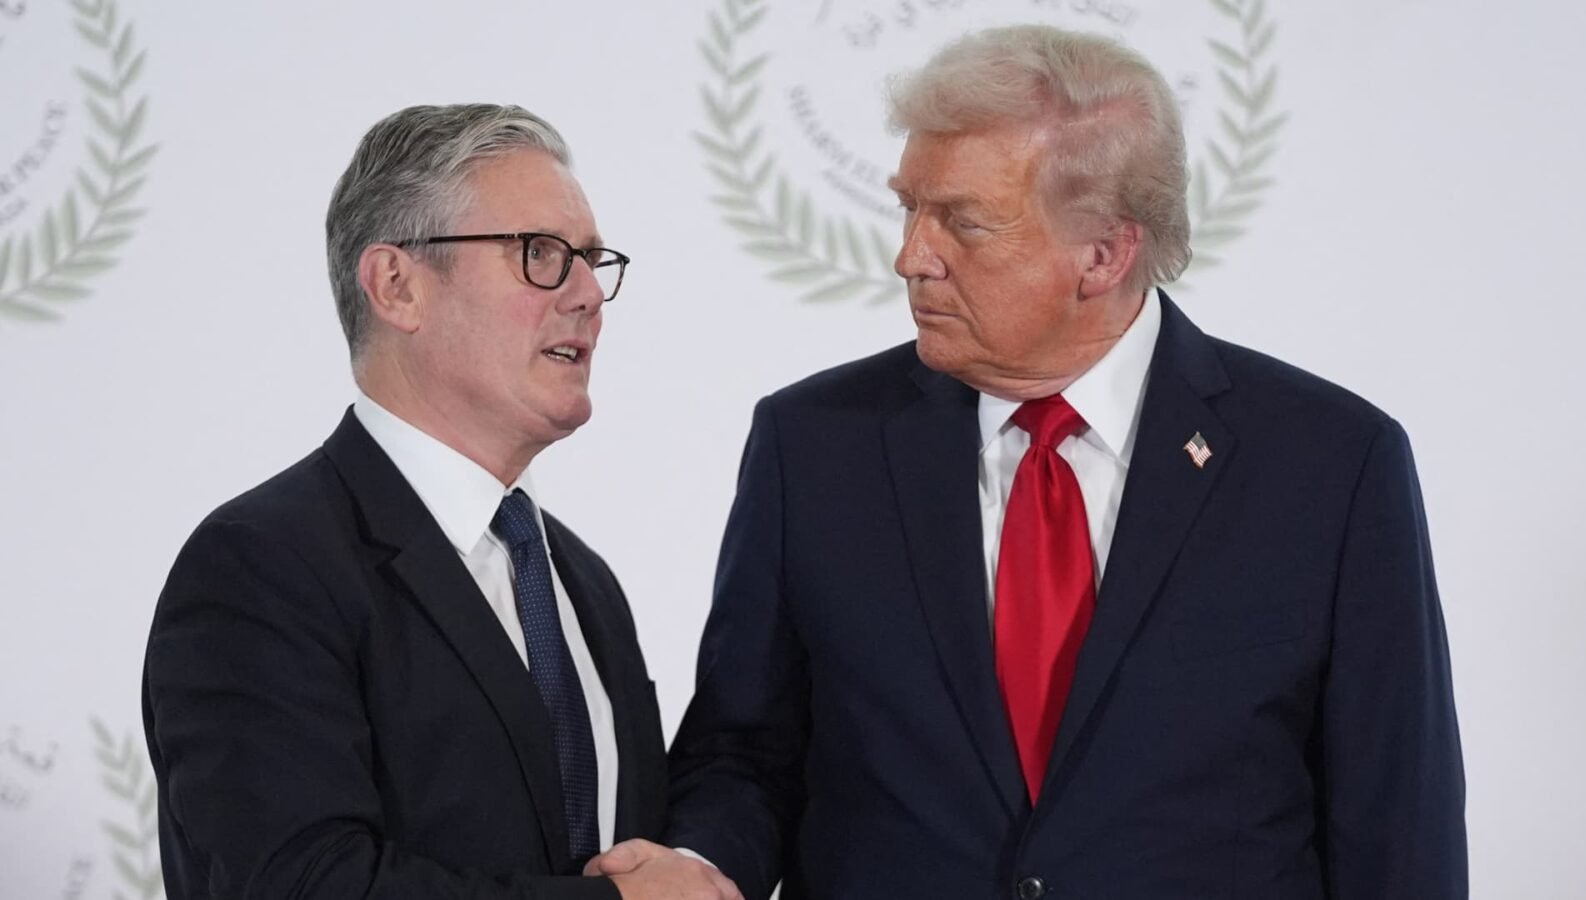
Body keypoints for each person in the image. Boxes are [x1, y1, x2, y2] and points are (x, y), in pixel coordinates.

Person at [594, 26, 1467, 899]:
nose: (911, 257)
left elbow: (1395, 820)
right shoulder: (814, 444)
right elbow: (746, 751)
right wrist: (704, 866)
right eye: (910, 207)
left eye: (961, 223)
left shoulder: (1331, 464)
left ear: (1104, 254)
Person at [142, 104, 738, 900]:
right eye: (542, 253)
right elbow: (302, 882)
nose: (589, 294)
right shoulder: (262, 564)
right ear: (397, 286)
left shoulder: (580, 580)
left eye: (594, 259)